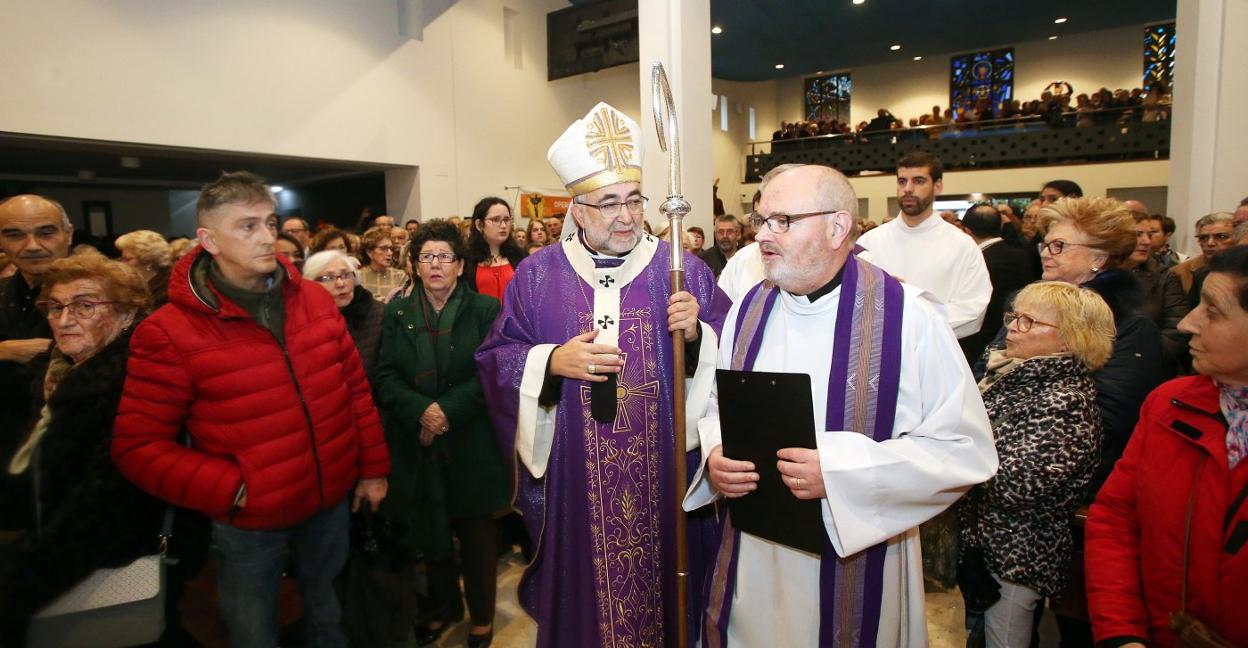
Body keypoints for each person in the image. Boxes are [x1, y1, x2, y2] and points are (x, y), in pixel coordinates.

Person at [688, 164, 997, 646]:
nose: (763, 236)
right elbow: (713, 402)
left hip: (855, 545)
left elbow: (963, 449)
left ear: (837, 228)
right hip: (754, 558)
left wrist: (839, 471)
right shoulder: (748, 308)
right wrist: (716, 454)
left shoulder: (908, 316)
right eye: (761, 219)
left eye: (782, 221)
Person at [475, 102, 732, 648]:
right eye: (608, 203)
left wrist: (697, 336)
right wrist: (549, 361)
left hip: (666, 473)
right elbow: (497, 357)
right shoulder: (538, 276)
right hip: (577, 483)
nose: (626, 216)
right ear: (578, 209)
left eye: (634, 200)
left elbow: (734, 351)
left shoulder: (681, 271)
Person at [111, 171, 390, 648]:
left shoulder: (316, 302)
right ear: (208, 239)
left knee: (327, 615)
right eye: (247, 226)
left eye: (269, 221)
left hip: (329, 501)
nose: (267, 238)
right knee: (252, 629)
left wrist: (371, 470)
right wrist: (234, 489)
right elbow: (138, 447)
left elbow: (354, 392)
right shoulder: (170, 332)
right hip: (252, 522)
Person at [0, 254, 168, 645]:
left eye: (85, 306)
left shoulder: (132, 384)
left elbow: (101, 508)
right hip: (46, 531)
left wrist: (17, 581)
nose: (63, 319)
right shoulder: (55, 370)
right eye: (55, 307)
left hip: (101, 552)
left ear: (128, 314)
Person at [1085, 245, 1248, 647]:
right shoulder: (1171, 403)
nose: (1190, 323)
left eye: (1212, 311)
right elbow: (1116, 519)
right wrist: (1121, 633)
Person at [958, 282, 1115, 648]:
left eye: (1029, 321)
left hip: (1019, 555)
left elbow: (1018, 485)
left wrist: (955, 458)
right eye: (1014, 316)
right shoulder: (1015, 376)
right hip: (987, 545)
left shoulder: (1065, 401)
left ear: (1069, 339)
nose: (1013, 326)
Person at [375, 220, 508, 648]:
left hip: (470, 437)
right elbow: (385, 375)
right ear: (414, 265)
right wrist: (421, 412)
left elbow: (492, 371)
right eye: (426, 257)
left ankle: (483, 616)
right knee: (430, 528)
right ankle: (445, 605)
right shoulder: (397, 313)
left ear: (460, 264)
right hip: (417, 438)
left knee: (475, 532)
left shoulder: (485, 310)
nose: (435, 265)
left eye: (444, 257)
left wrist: (445, 411)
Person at [857, 152, 992, 339]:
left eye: (918, 181)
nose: (908, 189)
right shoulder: (868, 242)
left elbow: (972, 310)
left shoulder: (962, 245)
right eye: (902, 181)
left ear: (937, 186)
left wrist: (910, 319)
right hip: (878, 347)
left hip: (937, 351)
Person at [0, 195, 70, 536]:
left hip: (68, 457)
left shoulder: (105, 293)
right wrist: (6, 350)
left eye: (46, 232)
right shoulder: (3, 292)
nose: (32, 246)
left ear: (67, 234)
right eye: (14, 235)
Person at [960, 204, 1040, 363]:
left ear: (967, 231)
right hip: (1020, 335)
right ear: (1001, 225)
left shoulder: (975, 263)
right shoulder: (1023, 254)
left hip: (979, 345)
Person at [303, 249, 383, 381]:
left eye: (346, 275)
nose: (341, 284)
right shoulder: (301, 322)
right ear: (309, 284)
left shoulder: (379, 314)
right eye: (327, 278)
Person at [1126, 213, 1190, 378]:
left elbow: (1177, 331)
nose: (1147, 241)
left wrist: (1139, 358)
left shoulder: (1165, 277)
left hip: (1150, 373)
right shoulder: (1095, 275)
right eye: (1137, 234)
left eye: (1149, 234)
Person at [462, 197, 527, 303]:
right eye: (495, 220)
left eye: (507, 220)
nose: (503, 225)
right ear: (479, 225)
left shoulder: (521, 256)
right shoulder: (466, 259)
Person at [1172, 211, 1237, 301]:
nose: (1210, 243)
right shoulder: (1179, 273)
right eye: (1203, 238)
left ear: (1239, 238)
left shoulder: (1243, 270)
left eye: (1221, 236)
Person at [115, 229, 174, 308]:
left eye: (128, 259)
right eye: (122, 259)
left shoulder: (168, 285)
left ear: (148, 260)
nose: (123, 264)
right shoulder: (131, 282)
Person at [358, 225, 406, 302]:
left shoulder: (401, 276)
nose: (390, 253)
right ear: (369, 252)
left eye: (391, 248)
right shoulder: (358, 277)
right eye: (384, 248)